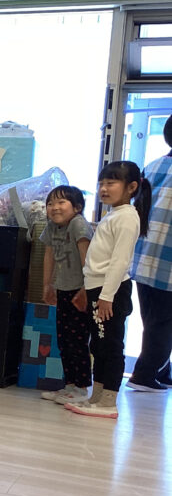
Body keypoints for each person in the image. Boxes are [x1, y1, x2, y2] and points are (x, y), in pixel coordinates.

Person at [65, 161, 152, 419]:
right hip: (98, 288)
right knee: (99, 344)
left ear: (131, 187)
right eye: (101, 183)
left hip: (110, 291)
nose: (104, 188)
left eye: (111, 183)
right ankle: (97, 397)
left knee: (110, 345)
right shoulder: (115, 214)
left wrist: (106, 297)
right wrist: (89, 290)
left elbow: (120, 261)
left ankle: (108, 402)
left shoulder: (127, 217)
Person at [127, 116, 172, 392]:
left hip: (144, 257)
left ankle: (162, 370)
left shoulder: (153, 166)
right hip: (168, 262)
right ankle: (143, 375)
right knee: (163, 322)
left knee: (154, 320)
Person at [38, 185, 93, 404]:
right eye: (50, 203)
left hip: (80, 291)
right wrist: (47, 285)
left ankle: (81, 388)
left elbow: (87, 259)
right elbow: (49, 255)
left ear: (77, 207)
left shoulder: (78, 224)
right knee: (64, 339)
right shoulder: (52, 226)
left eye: (61, 202)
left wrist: (86, 289)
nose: (54, 207)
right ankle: (69, 385)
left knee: (78, 340)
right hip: (63, 289)